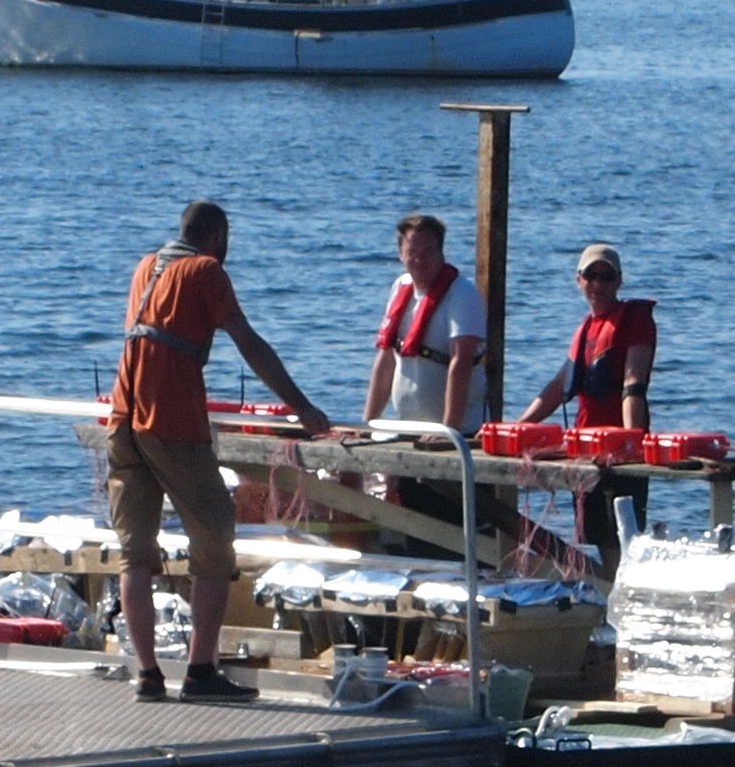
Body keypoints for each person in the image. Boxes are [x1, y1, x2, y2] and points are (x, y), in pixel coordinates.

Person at [107, 199, 335, 704]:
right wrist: (301, 407)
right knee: (214, 540)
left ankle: (147, 675)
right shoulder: (206, 270)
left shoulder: (147, 267)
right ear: (217, 237)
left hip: (123, 419)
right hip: (170, 420)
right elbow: (249, 344)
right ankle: (200, 671)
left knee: (135, 554)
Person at [515, 242, 659, 574]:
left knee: (622, 538)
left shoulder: (635, 322)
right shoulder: (585, 329)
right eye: (590, 276)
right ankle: (606, 594)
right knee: (599, 537)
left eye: (606, 277)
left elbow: (633, 385)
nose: (598, 284)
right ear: (578, 280)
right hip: (585, 451)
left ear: (619, 281)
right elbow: (557, 388)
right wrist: (519, 427)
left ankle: (622, 594)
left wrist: (631, 442)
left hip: (618, 452)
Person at [361, 210, 487, 534]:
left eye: (428, 251)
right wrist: (367, 423)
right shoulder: (400, 288)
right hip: (411, 434)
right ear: (400, 254)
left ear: (442, 252)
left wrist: (449, 430)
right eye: (412, 251)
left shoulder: (462, 294)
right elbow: (386, 359)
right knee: (416, 528)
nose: (419, 260)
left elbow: (461, 363)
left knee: (455, 530)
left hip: (457, 436)